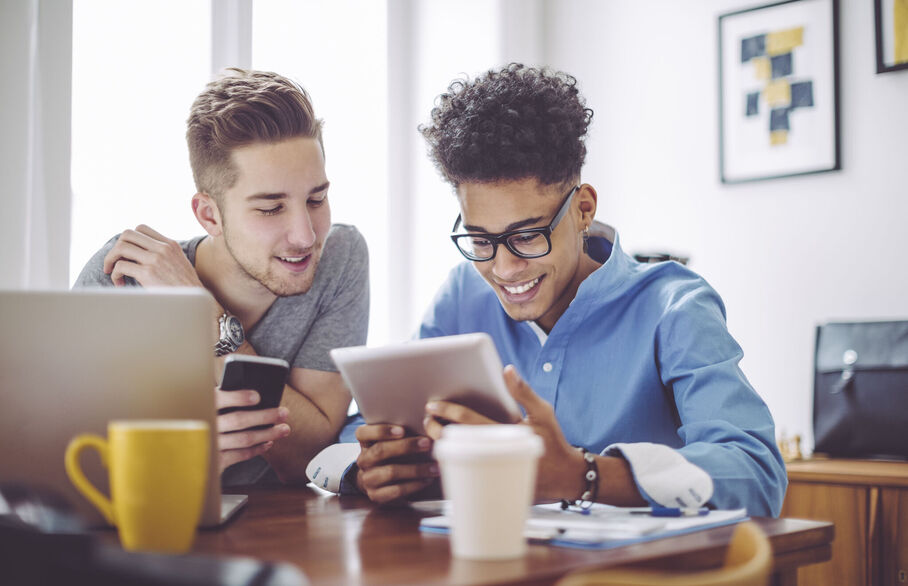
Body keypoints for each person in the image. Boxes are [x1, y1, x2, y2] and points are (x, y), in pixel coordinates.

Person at [317, 63, 786, 516]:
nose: (503, 267)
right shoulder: (463, 294)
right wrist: (377, 465)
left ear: (583, 209)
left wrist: (584, 475)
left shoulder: (674, 306)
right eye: (481, 240)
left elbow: (757, 474)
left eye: (526, 236)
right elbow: (359, 434)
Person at [74, 68, 369, 486]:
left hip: (281, 535)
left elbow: (311, 456)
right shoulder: (124, 278)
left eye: (316, 199)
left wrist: (204, 312)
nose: (306, 236)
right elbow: (64, 468)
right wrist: (176, 463)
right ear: (209, 214)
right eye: (270, 208)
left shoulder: (339, 257)